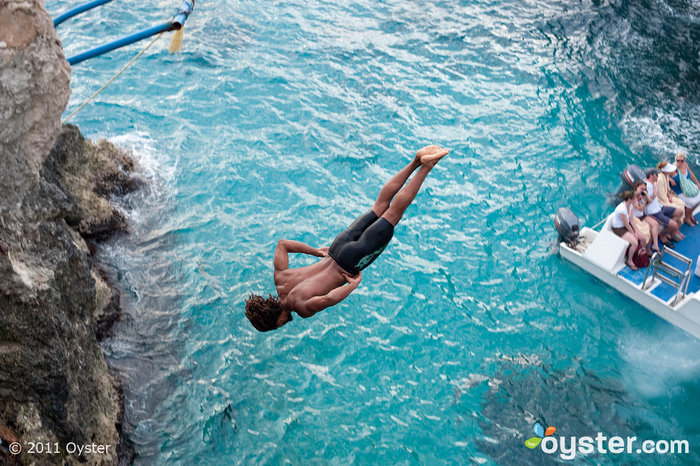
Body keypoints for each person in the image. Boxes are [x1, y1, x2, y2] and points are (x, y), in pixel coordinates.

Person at [245, 145, 450, 332]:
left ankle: (426, 167)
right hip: (336, 247)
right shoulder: (281, 280)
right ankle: (416, 160)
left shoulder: (300, 307)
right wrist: (316, 251)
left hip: (350, 262)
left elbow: (327, 299)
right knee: (380, 205)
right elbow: (283, 245)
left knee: (394, 213)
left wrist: (352, 285)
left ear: (277, 320)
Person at [643, 168, 684, 242]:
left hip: (660, 207)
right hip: (654, 212)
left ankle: (667, 231)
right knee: (675, 225)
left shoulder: (652, 183)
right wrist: (654, 195)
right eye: (657, 175)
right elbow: (645, 201)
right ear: (652, 175)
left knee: (680, 211)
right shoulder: (647, 187)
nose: (658, 176)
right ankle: (662, 234)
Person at [611, 190, 642, 270]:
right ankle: (629, 260)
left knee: (642, 238)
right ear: (629, 199)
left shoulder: (630, 205)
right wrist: (633, 234)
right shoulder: (622, 209)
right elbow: (626, 224)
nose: (636, 198)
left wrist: (636, 231)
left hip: (626, 226)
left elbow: (631, 220)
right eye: (634, 197)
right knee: (634, 242)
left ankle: (639, 255)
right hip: (618, 228)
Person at [631, 181, 660, 254]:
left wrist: (649, 196)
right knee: (649, 229)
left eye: (644, 189)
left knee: (655, 224)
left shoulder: (642, 196)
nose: (643, 191)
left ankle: (655, 245)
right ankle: (647, 250)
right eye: (641, 189)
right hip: (635, 218)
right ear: (636, 187)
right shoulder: (632, 197)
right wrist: (645, 201)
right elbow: (640, 208)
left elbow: (650, 201)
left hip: (642, 215)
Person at [671, 152, 700, 226]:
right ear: (675, 160)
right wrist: (670, 180)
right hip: (679, 191)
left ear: (684, 161)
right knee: (692, 202)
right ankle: (686, 217)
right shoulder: (673, 169)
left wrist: (697, 183)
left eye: (682, 161)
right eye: (678, 160)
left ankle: (690, 214)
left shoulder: (685, 165)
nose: (679, 162)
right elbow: (663, 175)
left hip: (688, 187)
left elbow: (691, 174)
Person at [656, 160, 686, 225]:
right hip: (661, 200)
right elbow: (661, 195)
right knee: (678, 208)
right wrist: (668, 200)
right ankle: (671, 226)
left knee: (681, 203)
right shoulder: (660, 179)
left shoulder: (666, 176)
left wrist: (669, 195)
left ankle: (676, 224)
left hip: (666, 197)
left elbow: (667, 189)